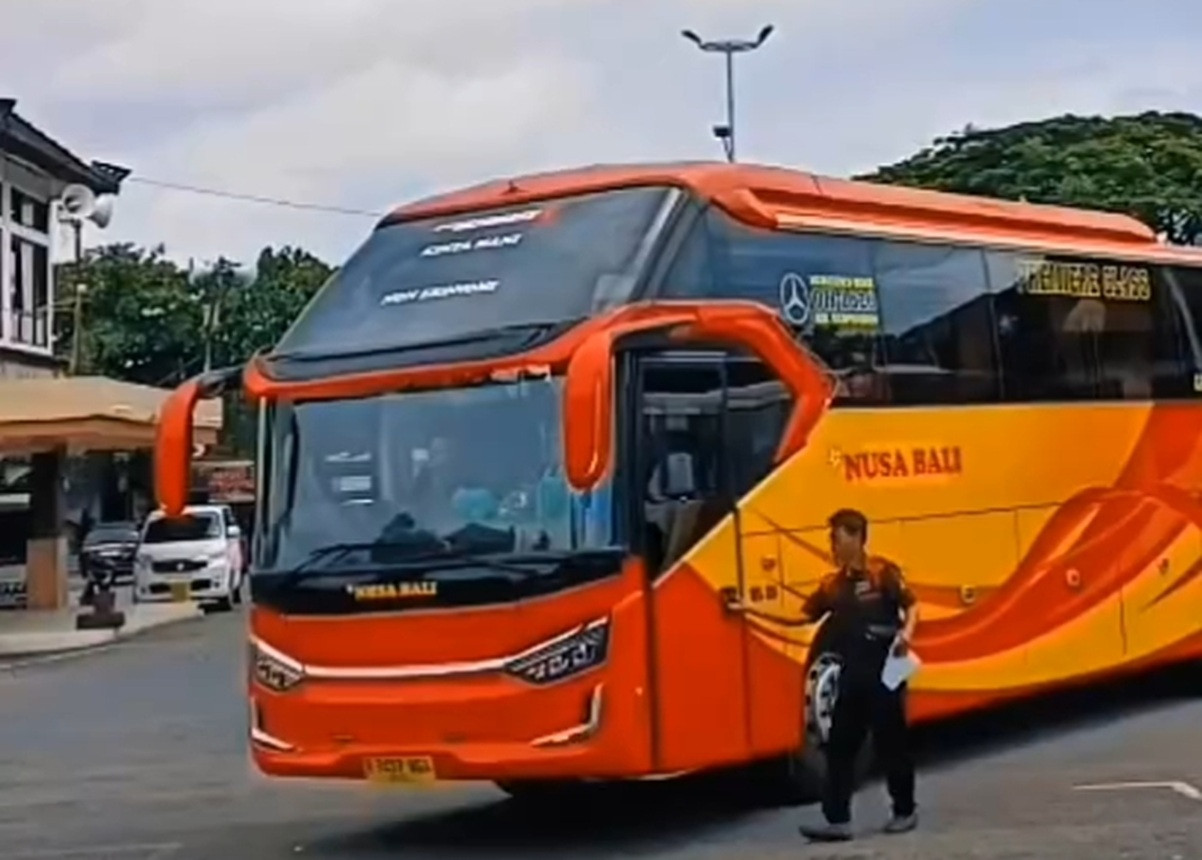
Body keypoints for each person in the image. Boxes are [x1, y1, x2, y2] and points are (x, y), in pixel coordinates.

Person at [726, 507, 920, 842]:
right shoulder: (832, 586)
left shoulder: (882, 573)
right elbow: (799, 618)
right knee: (840, 748)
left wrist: (907, 634)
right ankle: (837, 820)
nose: (833, 545)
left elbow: (912, 605)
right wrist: (748, 609)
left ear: (857, 538)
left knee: (893, 745)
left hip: (885, 672)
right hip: (852, 675)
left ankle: (904, 811)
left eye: (837, 538)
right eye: (831, 539)